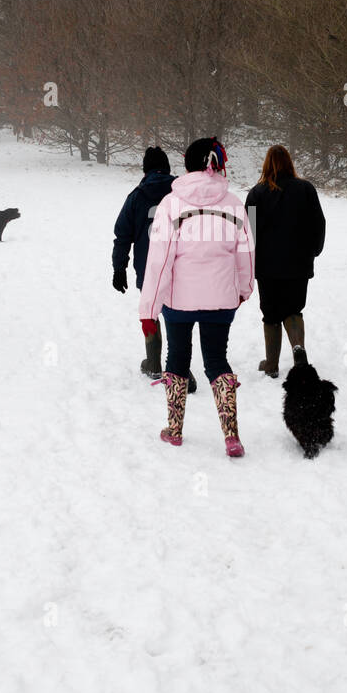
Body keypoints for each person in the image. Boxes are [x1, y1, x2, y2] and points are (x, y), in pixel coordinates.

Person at [139, 137, 254, 456]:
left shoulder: (170, 205)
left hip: (179, 302)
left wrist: (149, 308)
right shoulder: (233, 203)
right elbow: (246, 251)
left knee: (177, 356)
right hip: (221, 299)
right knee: (217, 359)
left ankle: (174, 429)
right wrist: (243, 289)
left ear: (187, 164)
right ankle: (231, 434)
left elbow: (159, 261)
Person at [112, 146, 196, 388]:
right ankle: (181, 368)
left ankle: (153, 363)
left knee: (151, 311)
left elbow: (122, 235)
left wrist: (119, 268)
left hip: (148, 266)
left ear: (145, 169)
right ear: (168, 168)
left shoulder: (136, 196)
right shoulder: (183, 194)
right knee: (176, 314)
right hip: (181, 263)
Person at [245, 145, 326, 378]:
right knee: (294, 309)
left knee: (270, 314)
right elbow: (318, 223)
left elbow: (248, 232)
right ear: (290, 163)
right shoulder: (306, 189)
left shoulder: (257, 193)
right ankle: (298, 349)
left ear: (266, 164)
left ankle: (271, 364)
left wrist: (249, 261)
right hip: (298, 263)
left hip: (267, 266)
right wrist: (314, 250)